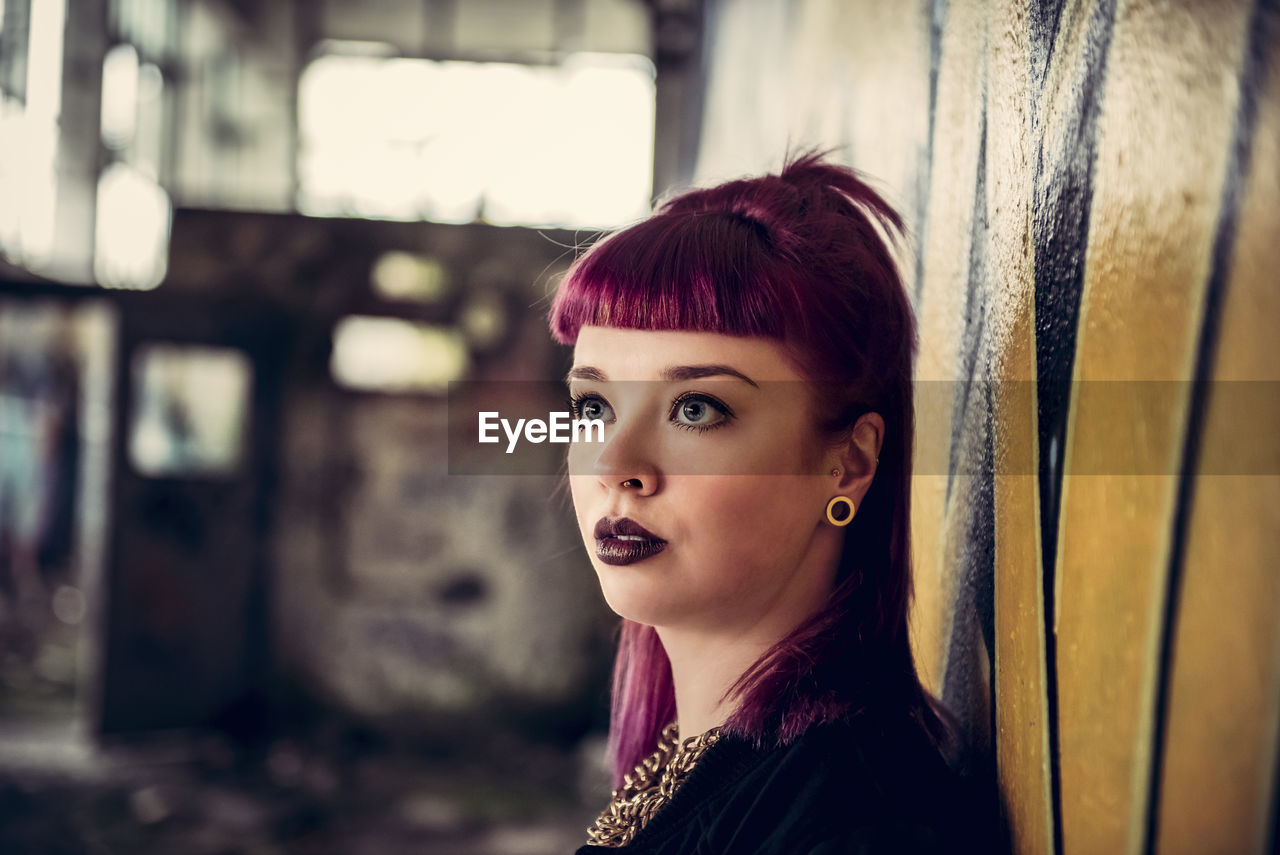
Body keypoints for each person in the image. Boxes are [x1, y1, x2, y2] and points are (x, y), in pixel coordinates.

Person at [548, 153, 994, 854]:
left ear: (846, 465)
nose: (614, 464)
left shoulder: (854, 820)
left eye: (695, 408)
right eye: (595, 404)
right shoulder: (704, 755)